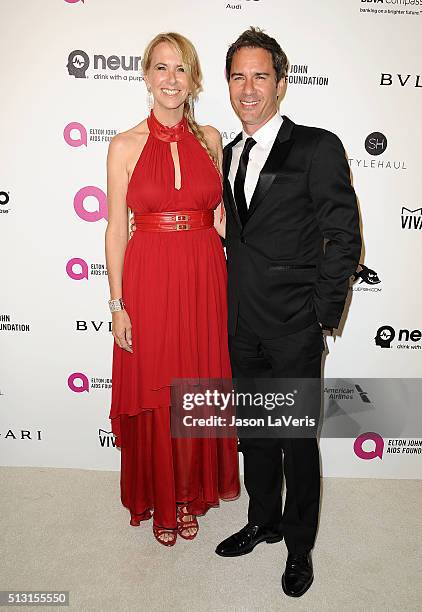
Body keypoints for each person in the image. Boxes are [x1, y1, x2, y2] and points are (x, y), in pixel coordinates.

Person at [214, 28, 362, 597]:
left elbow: (342, 236)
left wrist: (320, 315)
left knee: (297, 441)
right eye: (238, 76)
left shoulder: (316, 146)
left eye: (260, 76)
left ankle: (299, 548)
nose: (248, 88)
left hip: (294, 324)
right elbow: (241, 235)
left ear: (281, 82)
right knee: (256, 433)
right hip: (243, 323)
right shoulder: (228, 153)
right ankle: (263, 520)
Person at [105, 32, 240, 547]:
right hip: (150, 274)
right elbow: (117, 228)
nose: (171, 79)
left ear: (193, 79)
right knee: (160, 386)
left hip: (205, 270)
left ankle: (189, 491)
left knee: (197, 381)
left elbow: (223, 219)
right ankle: (165, 496)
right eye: (161, 68)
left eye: (181, 69)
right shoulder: (124, 145)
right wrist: (117, 303)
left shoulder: (211, 138)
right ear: (145, 76)